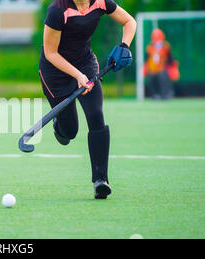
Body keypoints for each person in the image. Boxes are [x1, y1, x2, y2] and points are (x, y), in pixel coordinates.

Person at [39, 0, 136, 199]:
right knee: (70, 131)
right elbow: (50, 53)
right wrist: (76, 76)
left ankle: (101, 180)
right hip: (55, 72)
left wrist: (124, 45)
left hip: (85, 65)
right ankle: (60, 125)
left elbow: (129, 21)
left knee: (96, 115)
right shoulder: (57, 11)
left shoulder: (101, 2)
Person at [144, 28, 180, 100]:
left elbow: (170, 59)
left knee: (163, 76)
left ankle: (166, 94)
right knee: (151, 77)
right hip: (153, 69)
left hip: (164, 69)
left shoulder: (166, 47)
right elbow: (147, 60)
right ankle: (155, 94)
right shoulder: (150, 48)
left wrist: (173, 66)